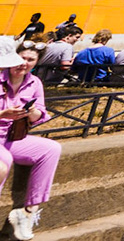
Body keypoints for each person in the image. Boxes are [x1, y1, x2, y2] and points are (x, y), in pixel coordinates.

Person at [2, 44, 62, 240]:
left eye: (30, 60)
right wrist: (4, 113)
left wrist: (32, 112)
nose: (24, 64)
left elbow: (40, 116)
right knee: (5, 161)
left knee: (51, 149)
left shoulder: (34, 83)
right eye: (21, 58)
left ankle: (27, 213)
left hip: (12, 137)